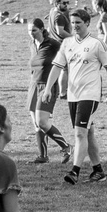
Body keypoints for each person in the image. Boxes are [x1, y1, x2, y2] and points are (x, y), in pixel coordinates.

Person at [46, 8, 107, 185]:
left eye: (79, 22)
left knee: (79, 133)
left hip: (90, 94)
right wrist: (48, 88)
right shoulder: (67, 43)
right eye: (73, 23)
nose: (75, 26)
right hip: (73, 95)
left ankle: (74, 172)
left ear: (87, 23)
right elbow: (57, 66)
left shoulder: (97, 44)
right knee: (88, 132)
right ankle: (98, 171)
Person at [26, 18, 72, 164]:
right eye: (28, 31)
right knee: (36, 123)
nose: (31, 33)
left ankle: (66, 147)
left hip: (48, 86)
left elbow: (68, 53)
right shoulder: (33, 44)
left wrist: (67, 73)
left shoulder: (52, 44)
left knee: (42, 122)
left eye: (34, 30)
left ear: (41, 29)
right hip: (34, 85)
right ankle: (43, 156)